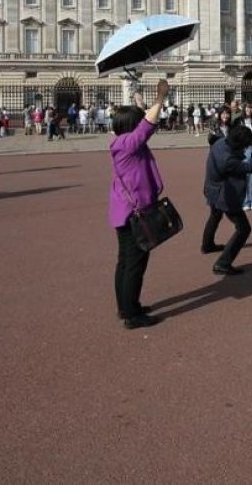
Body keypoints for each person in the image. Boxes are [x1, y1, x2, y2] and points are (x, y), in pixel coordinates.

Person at [108, 78, 171, 330]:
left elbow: (147, 126)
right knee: (134, 263)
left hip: (124, 211)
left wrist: (142, 103)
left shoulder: (125, 143)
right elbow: (146, 126)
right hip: (132, 213)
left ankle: (126, 306)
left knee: (125, 261)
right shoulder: (126, 145)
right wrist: (160, 97)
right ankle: (132, 315)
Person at [201, 124, 252, 275]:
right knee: (244, 229)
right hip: (226, 196)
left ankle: (207, 245)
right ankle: (223, 263)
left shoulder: (220, 142)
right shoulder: (228, 160)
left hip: (212, 189)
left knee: (215, 215)